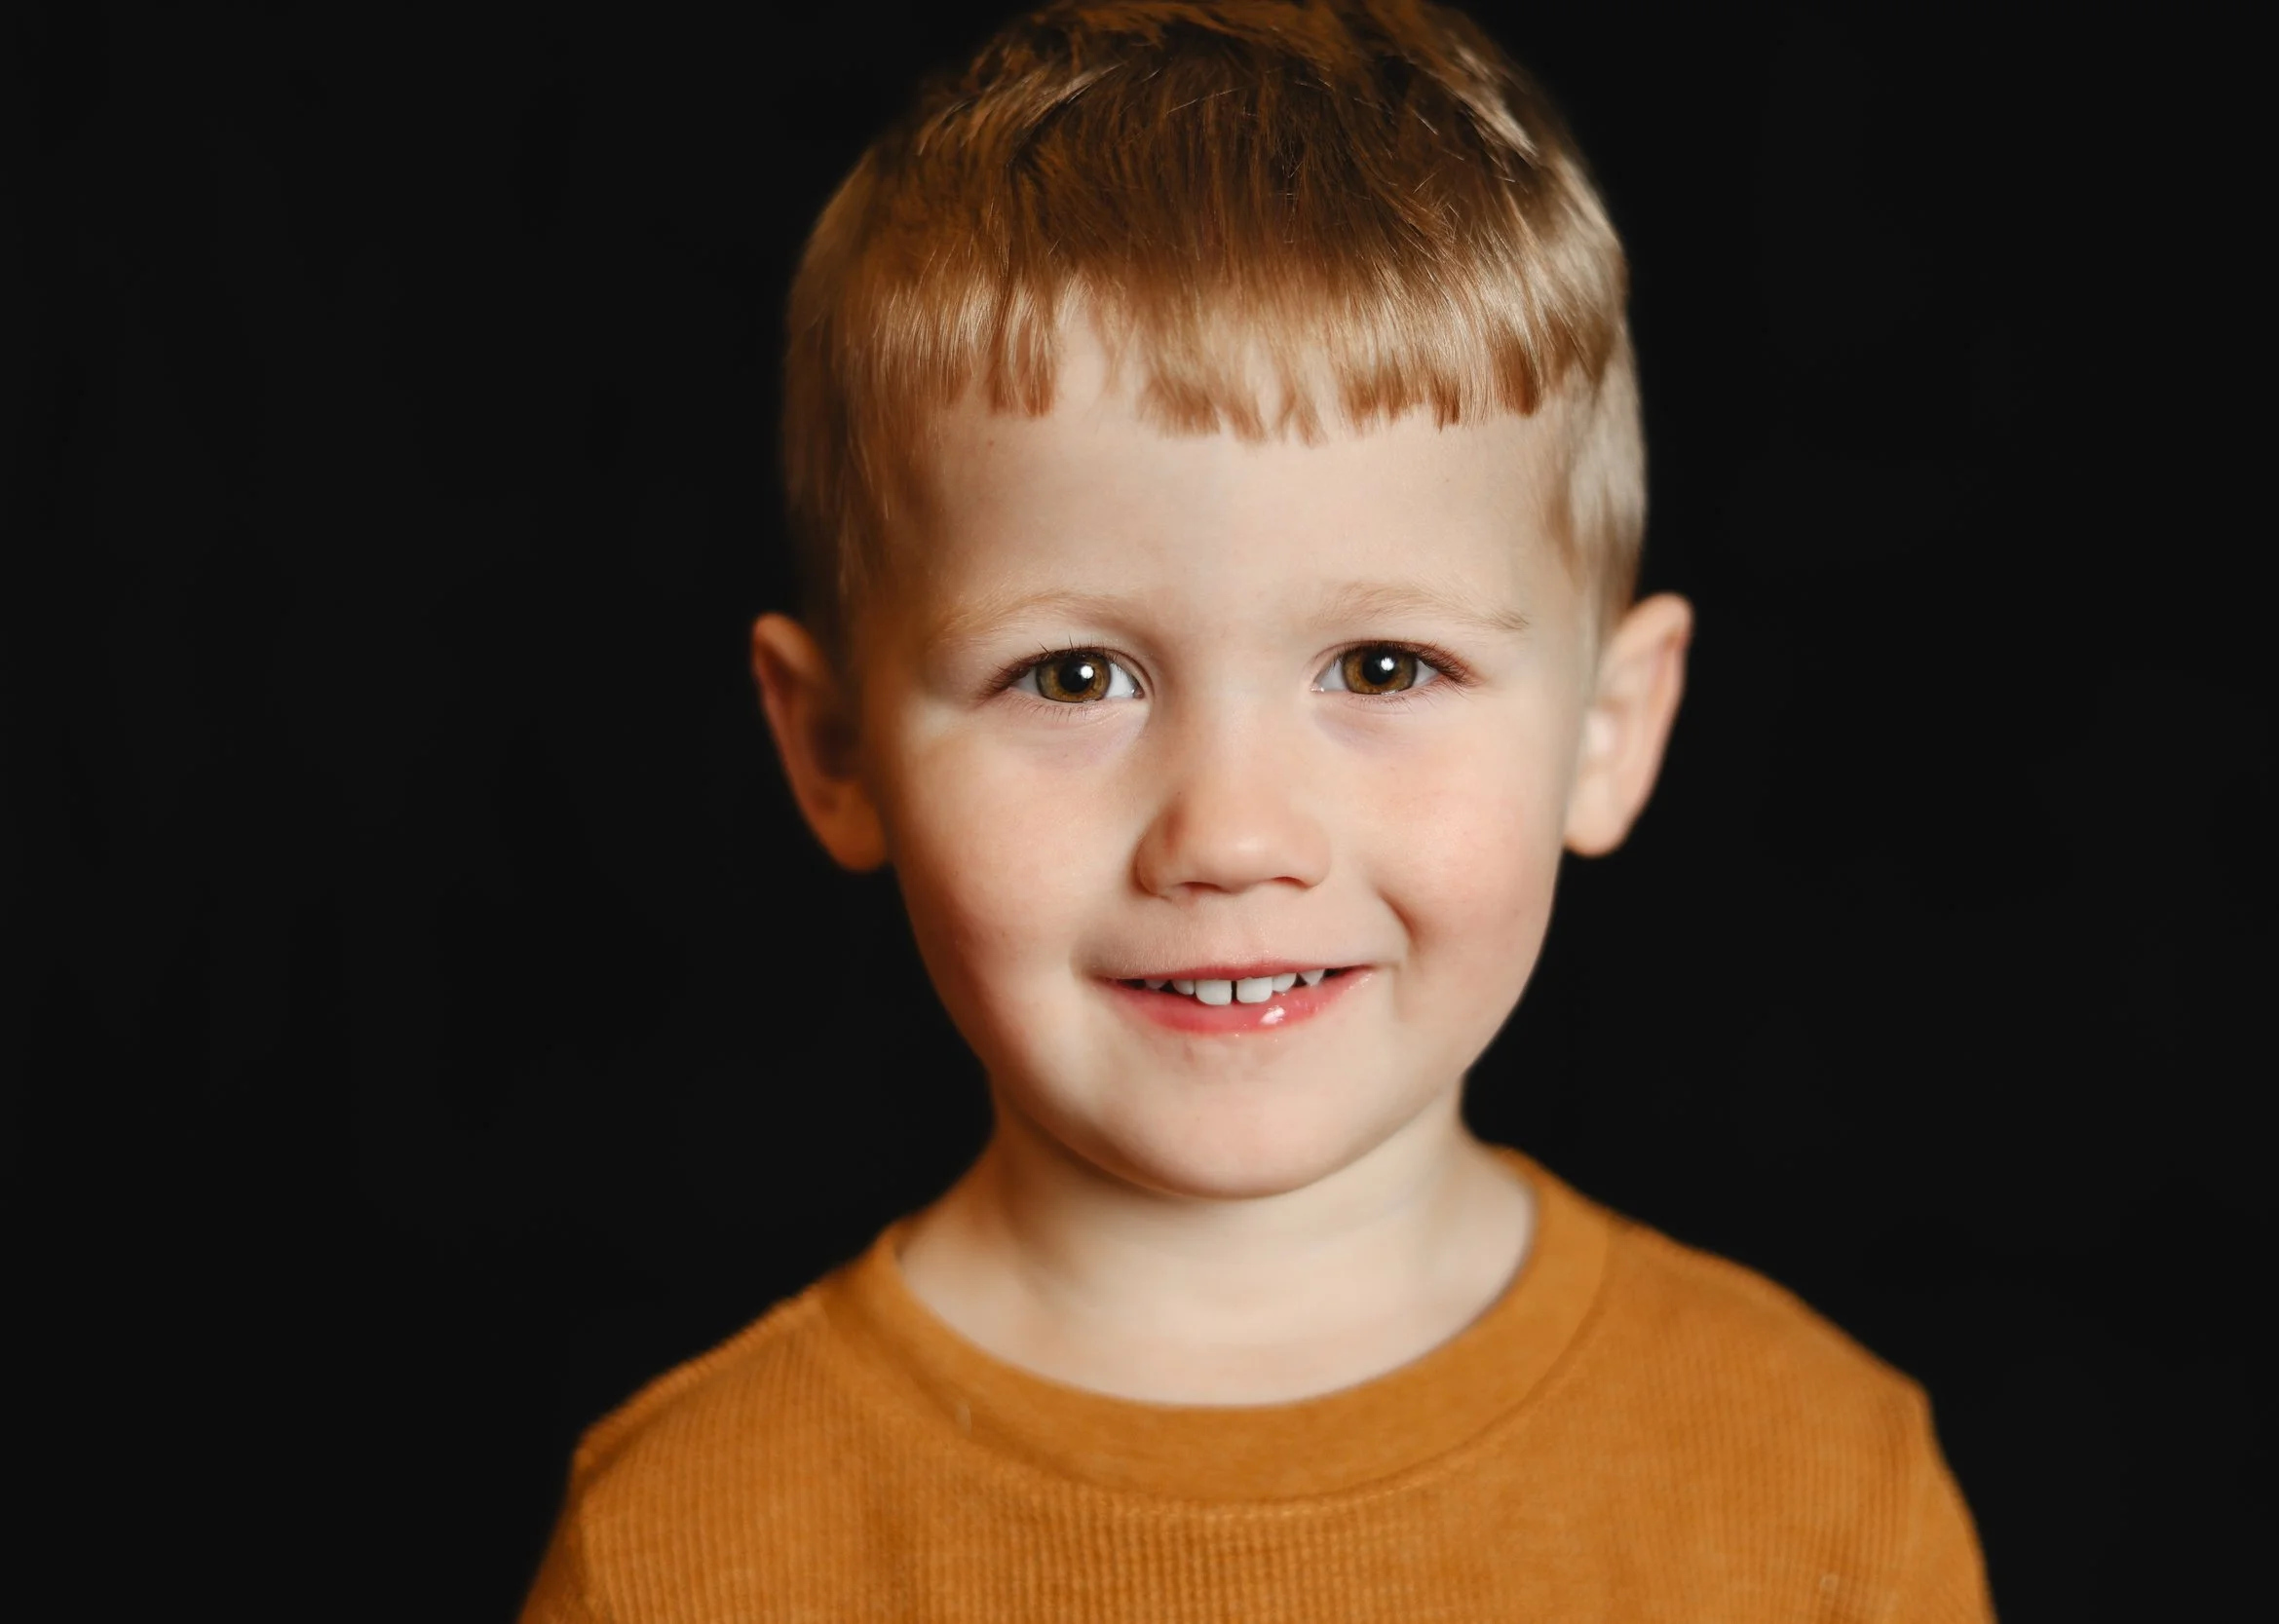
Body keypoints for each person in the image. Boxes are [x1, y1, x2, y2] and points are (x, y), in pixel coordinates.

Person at [520, 2, 1994, 1617]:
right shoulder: (683, 1547)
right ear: (832, 747)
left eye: (1382, 664)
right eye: (1075, 676)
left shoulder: (1822, 1481)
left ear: (1609, 730)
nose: (1229, 835)